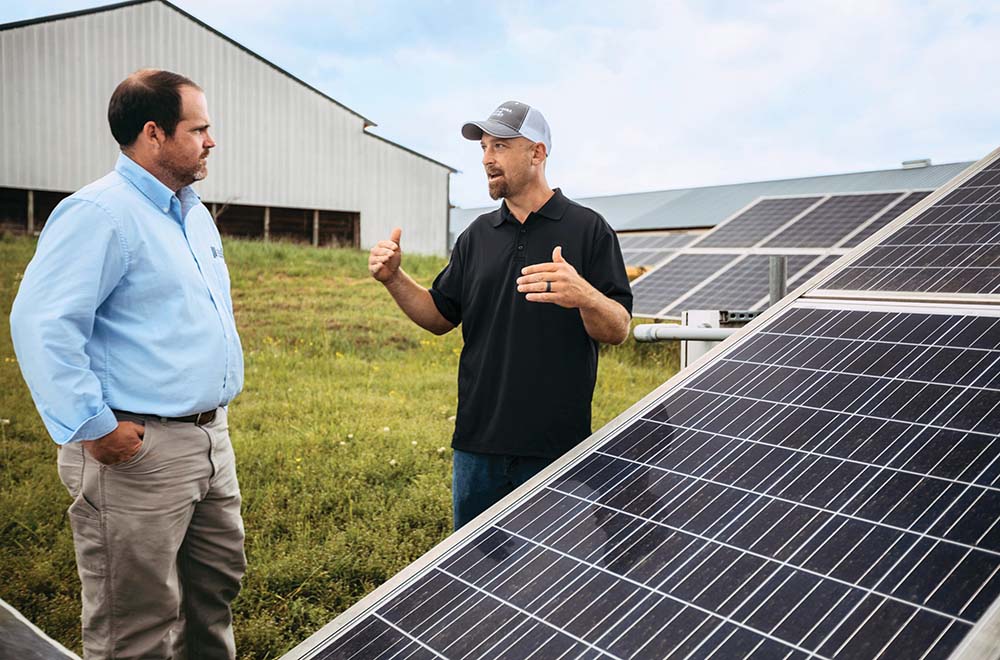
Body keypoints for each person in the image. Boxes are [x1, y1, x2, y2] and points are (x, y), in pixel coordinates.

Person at [10, 69, 245, 659]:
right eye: (199, 128)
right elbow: (43, 325)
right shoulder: (100, 212)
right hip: (138, 451)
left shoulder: (190, 212)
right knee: (135, 623)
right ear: (153, 133)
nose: (211, 141)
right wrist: (95, 426)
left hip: (209, 441)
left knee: (212, 593)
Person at [368, 100, 632, 530]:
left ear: (537, 153)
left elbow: (618, 327)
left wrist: (585, 295)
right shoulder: (476, 237)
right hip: (477, 451)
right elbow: (438, 316)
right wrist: (394, 279)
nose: (488, 158)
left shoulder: (588, 229)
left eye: (501, 146)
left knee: (554, 582)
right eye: (484, 148)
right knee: (473, 578)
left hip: (557, 451)